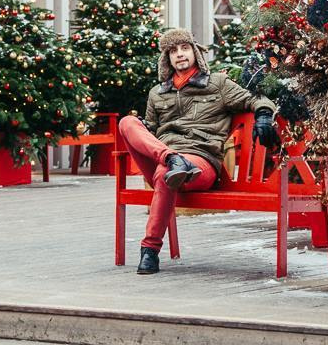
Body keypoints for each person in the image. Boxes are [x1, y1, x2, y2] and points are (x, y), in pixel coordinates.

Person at [117, 28, 280, 275]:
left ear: (195, 52)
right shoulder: (157, 93)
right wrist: (159, 146)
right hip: (164, 156)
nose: (179, 54)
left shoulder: (218, 84)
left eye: (184, 48)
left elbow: (254, 99)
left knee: (164, 175)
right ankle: (172, 159)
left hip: (199, 162)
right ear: (167, 58)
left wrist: (265, 115)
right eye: (173, 51)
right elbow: (149, 129)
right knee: (127, 123)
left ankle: (149, 250)